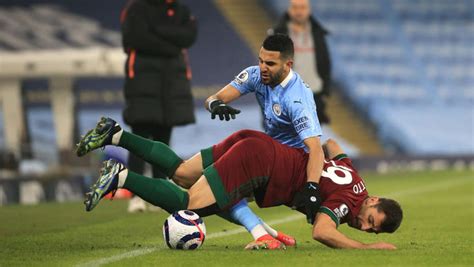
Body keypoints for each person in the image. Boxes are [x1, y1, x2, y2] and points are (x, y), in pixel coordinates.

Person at [76, 118, 403, 250]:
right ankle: (120, 177)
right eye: (371, 221)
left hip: (256, 143)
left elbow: (332, 145)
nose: (364, 226)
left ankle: (115, 134)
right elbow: (321, 231)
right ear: (373, 202)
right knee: (187, 204)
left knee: (180, 172)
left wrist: (313, 174)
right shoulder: (348, 202)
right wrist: (366, 248)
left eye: (371, 231)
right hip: (258, 165)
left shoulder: (356, 181)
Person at [205, 34, 325, 247]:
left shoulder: (297, 98)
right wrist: (215, 105)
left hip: (289, 165)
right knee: (192, 180)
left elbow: (315, 148)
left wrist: (312, 187)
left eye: (270, 63)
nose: (262, 67)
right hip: (268, 153)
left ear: (288, 65)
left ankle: (263, 235)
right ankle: (270, 234)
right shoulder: (255, 76)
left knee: (206, 191)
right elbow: (214, 98)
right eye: (261, 60)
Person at [120, 0, 197, 212]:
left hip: (171, 83)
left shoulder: (181, 9)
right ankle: (135, 195)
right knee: (139, 139)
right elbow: (137, 38)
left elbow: (189, 36)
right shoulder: (137, 8)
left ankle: (159, 192)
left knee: (164, 138)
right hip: (144, 82)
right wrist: (172, 44)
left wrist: (156, 30)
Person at [268, 0, 331, 124]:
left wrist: (325, 92)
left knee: (312, 139)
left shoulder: (318, 33)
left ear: (309, 10)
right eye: (295, 7)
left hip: (314, 94)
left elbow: (325, 63)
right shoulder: (278, 34)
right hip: (288, 94)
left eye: (302, 7)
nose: (299, 11)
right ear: (289, 10)